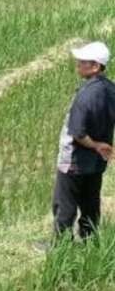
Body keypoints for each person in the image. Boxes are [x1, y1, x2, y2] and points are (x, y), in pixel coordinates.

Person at [52, 42, 115, 240]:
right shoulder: (110, 89)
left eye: (82, 62)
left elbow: (78, 133)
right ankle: (90, 241)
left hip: (75, 162)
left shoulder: (85, 95)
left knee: (65, 205)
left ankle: (61, 247)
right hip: (97, 162)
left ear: (95, 66)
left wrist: (95, 145)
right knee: (90, 203)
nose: (78, 64)